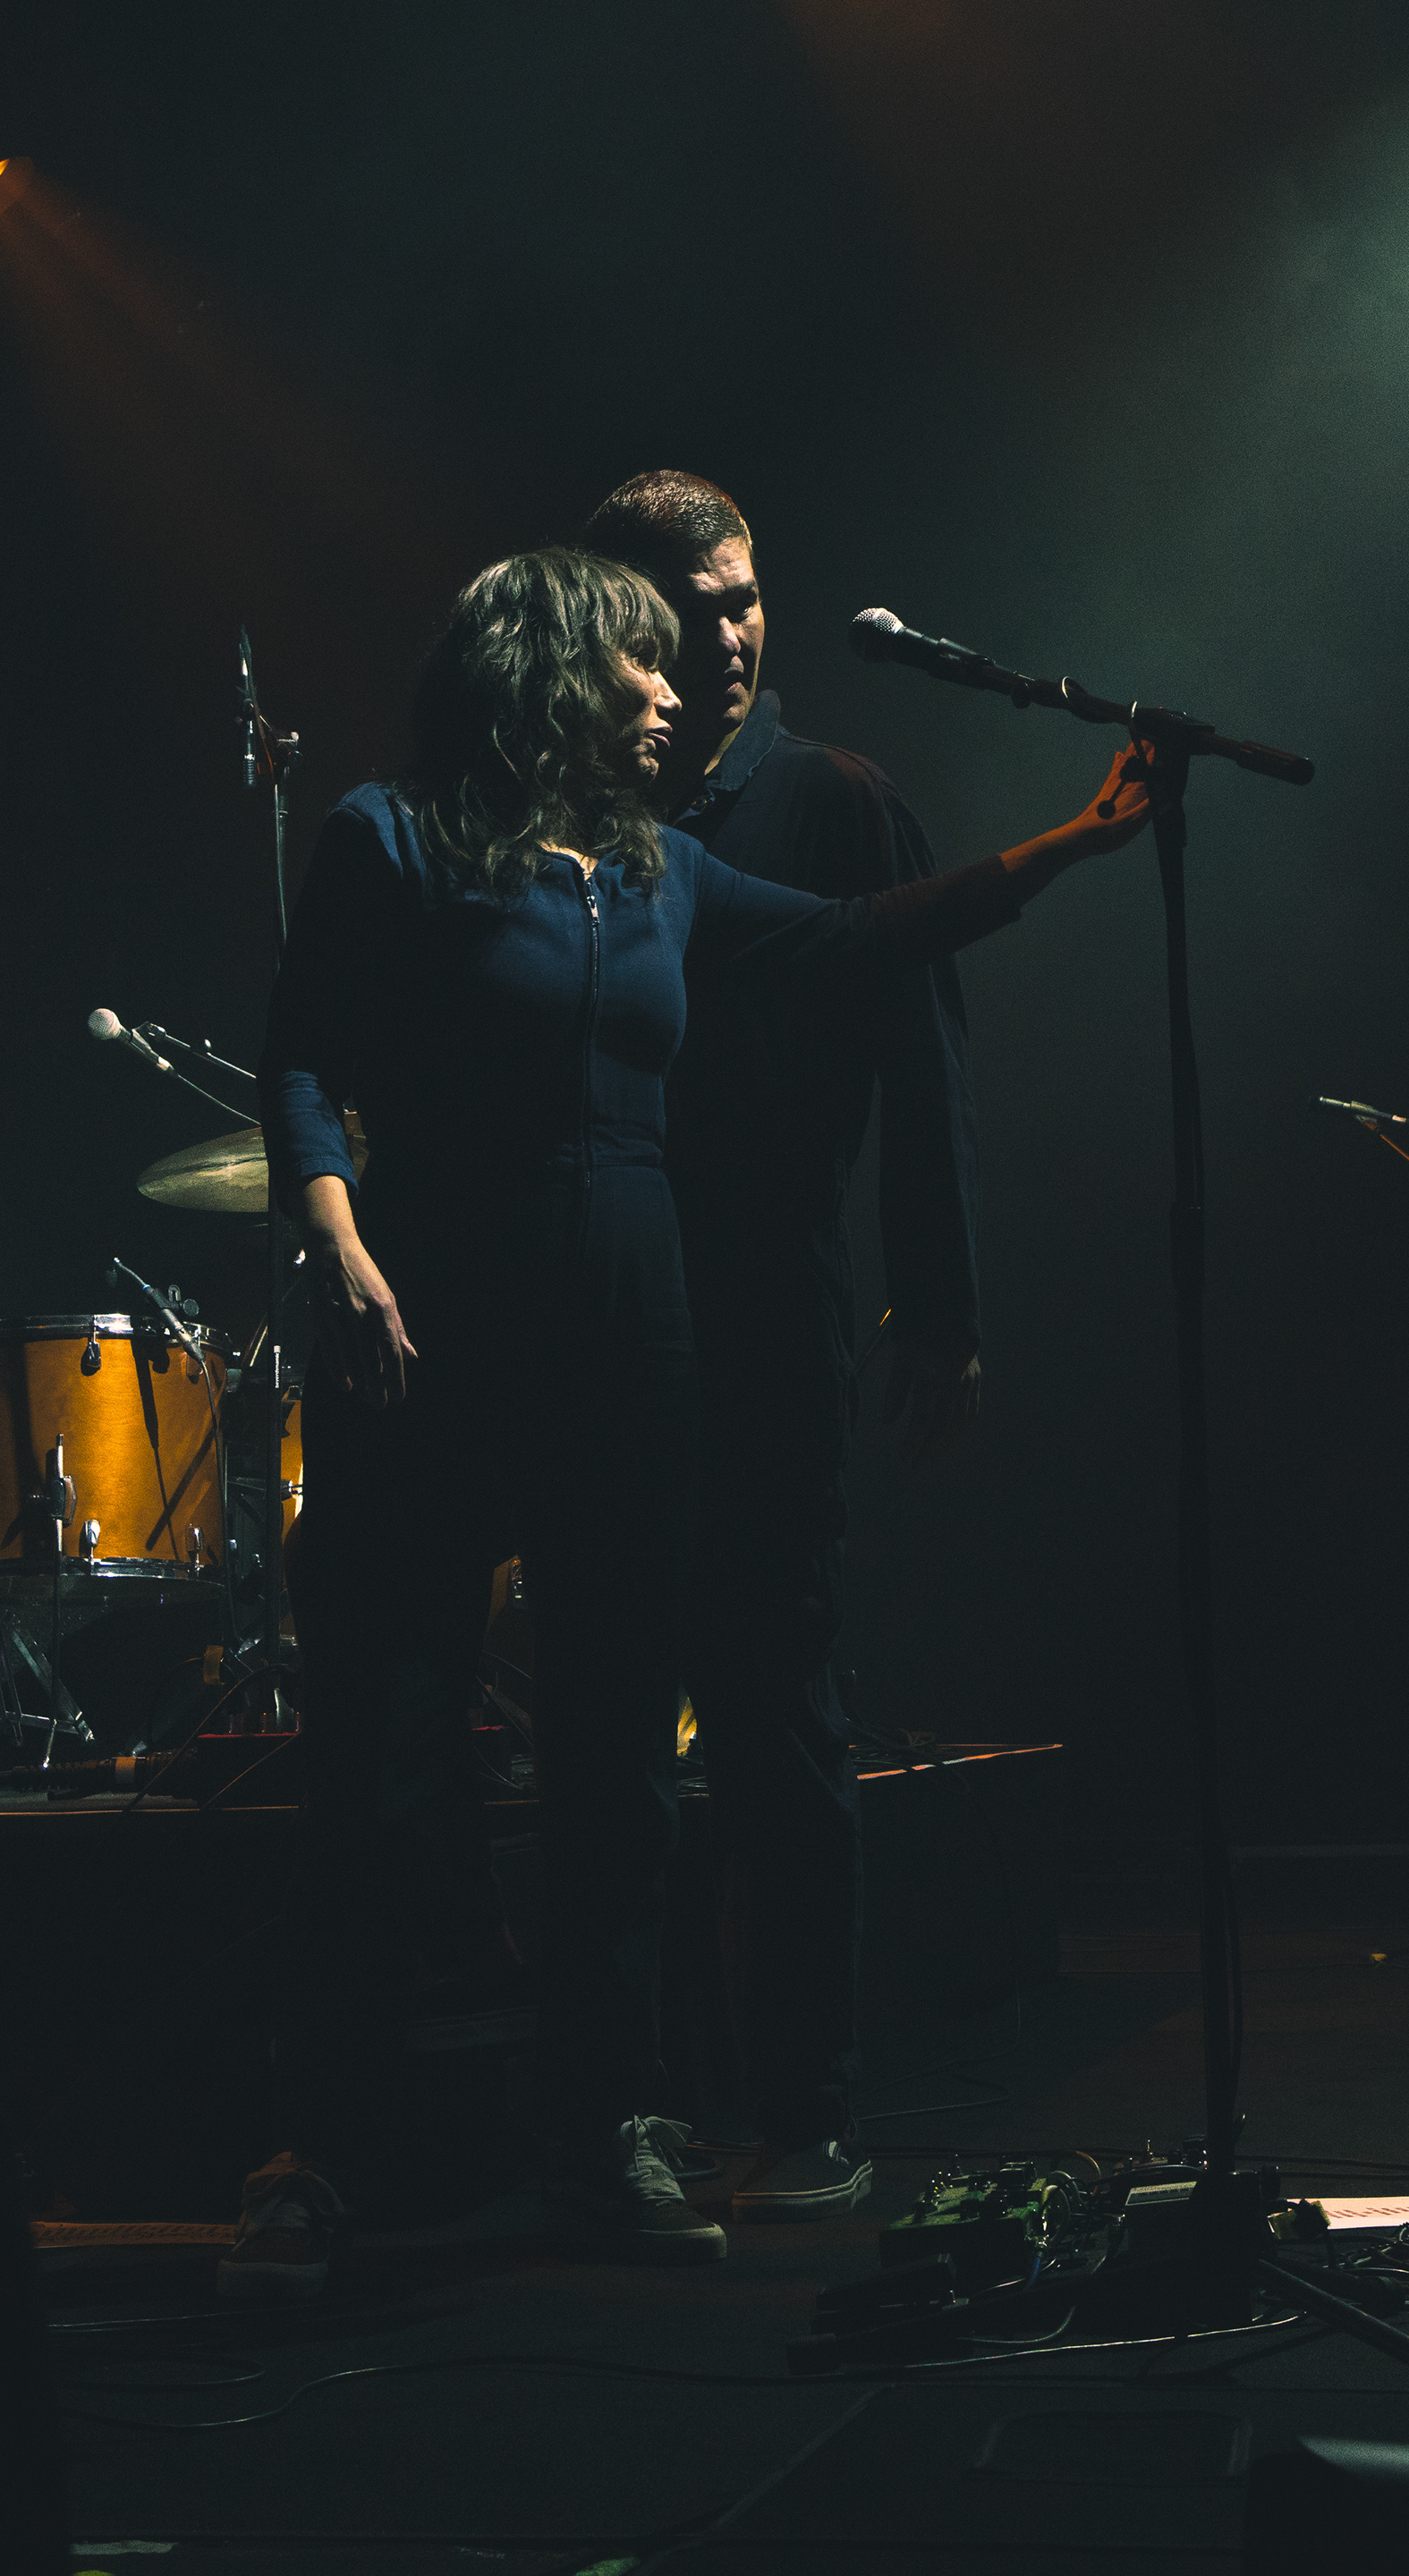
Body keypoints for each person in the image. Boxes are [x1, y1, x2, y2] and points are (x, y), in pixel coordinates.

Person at [221, 546, 1165, 2301]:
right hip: (430, 1345)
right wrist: (336, 1240)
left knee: (616, 1770)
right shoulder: (389, 836)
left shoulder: (659, 871)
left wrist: (1072, 846)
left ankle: (604, 2130)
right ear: (549, 675)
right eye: (642, 663)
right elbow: (300, 1059)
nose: (677, 690)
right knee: (385, 1755)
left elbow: (857, 938)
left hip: (629, 1350)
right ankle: (323, 2150)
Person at [582, 469, 987, 2217]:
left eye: (747, 598)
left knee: (772, 1705)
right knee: (612, 1724)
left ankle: (806, 2105)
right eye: (697, 608)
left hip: (761, 1304)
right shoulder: (580, 811)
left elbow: (924, 1058)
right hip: (609, 1314)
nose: (734, 634)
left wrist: (941, 1304)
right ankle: (640, 2104)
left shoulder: (830, 797)